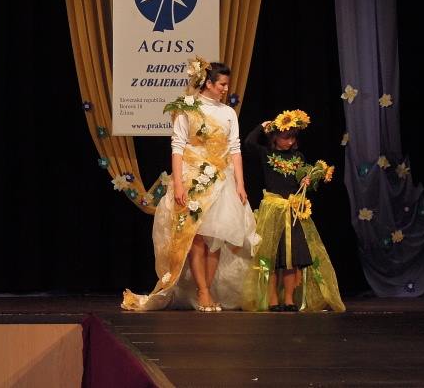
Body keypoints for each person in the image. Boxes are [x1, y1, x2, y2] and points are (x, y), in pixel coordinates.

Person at [122, 57, 259, 311]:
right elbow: (177, 147)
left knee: (217, 237)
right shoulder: (188, 108)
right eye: (222, 84)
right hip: (193, 177)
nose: (225, 89)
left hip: (222, 179)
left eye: (226, 84)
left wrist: (240, 184)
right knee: (195, 237)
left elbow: (235, 149)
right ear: (208, 83)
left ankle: (207, 290)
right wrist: (179, 185)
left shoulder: (228, 112)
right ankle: (203, 291)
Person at [241, 110, 345, 312]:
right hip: (274, 210)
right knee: (272, 257)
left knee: (292, 259)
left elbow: (300, 182)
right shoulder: (267, 154)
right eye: (285, 137)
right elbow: (249, 143)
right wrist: (262, 126)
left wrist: (307, 180)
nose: (289, 142)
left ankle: (289, 299)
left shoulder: (298, 157)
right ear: (275, 137)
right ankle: (272, 299)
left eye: (293, 138)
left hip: (293, 211)